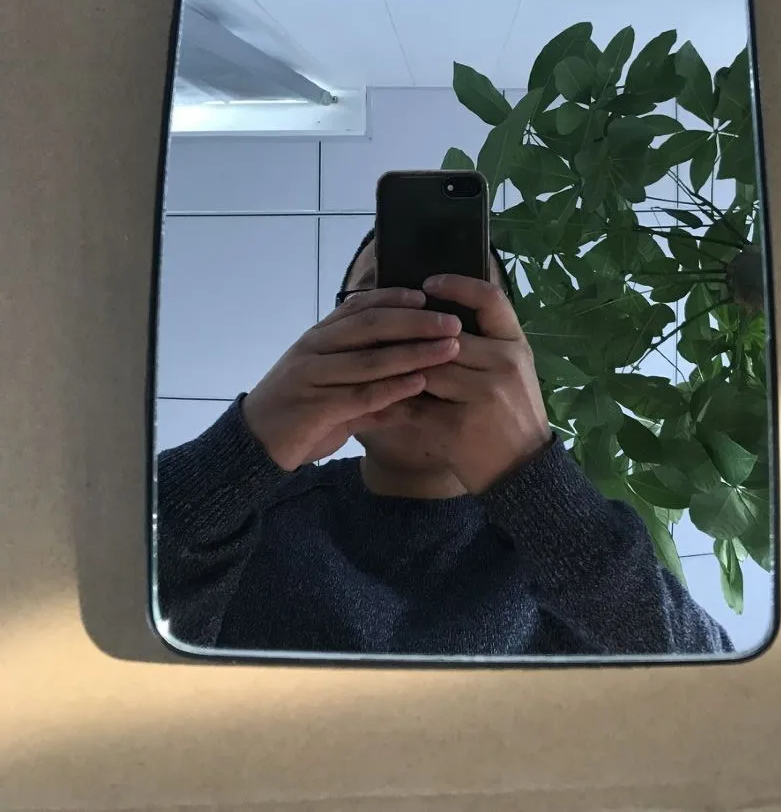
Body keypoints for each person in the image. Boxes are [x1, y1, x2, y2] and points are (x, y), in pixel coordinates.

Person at [155, 226, 734, 657]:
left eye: (457, 311)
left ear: (515, 357)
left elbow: (715, 700)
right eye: (377, 303)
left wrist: (536, 480)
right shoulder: (241, 519)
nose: (417, 340)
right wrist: (244, 447)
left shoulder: (569, 546)